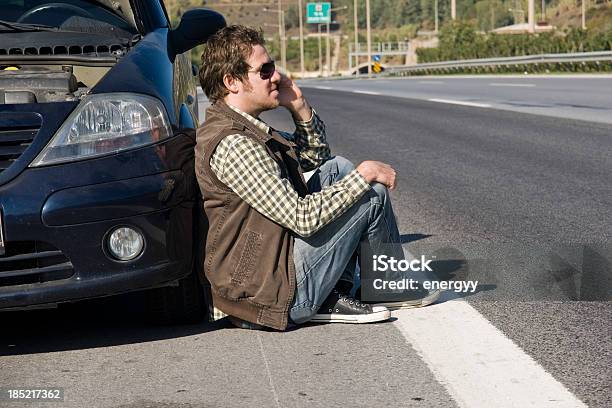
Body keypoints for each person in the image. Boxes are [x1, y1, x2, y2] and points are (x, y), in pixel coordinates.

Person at [195, 25, 438, 331]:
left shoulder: (246, 129)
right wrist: (364, 176)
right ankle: (381, 287)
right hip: (268, 296)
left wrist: (298, 104)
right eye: (265, 70)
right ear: (231, 81)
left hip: (270, 270)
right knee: (368, 192)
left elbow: (316, 157)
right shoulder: (234, 143)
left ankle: (334, 291)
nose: (276, 76)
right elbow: (301, 217)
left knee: (338, 168)